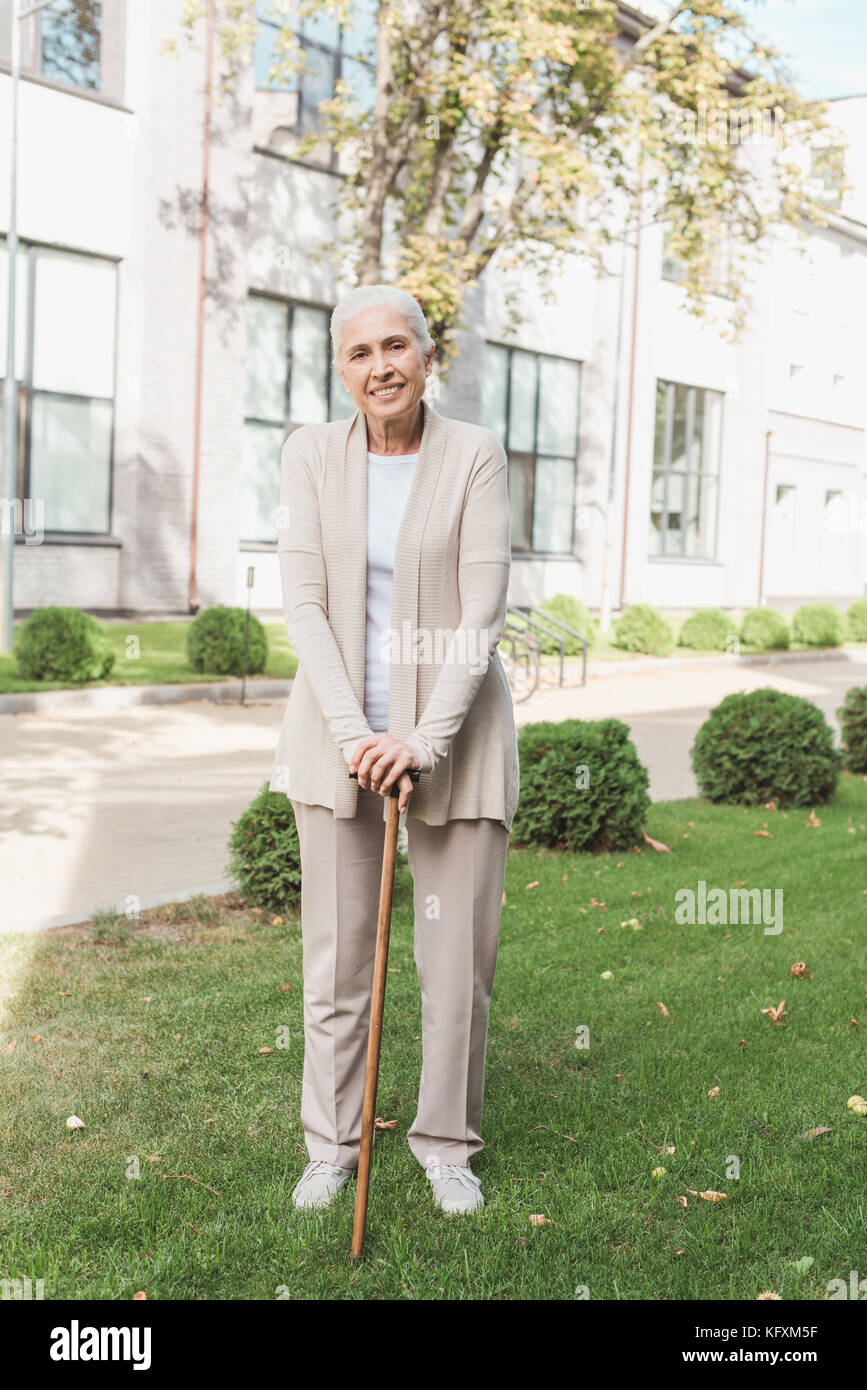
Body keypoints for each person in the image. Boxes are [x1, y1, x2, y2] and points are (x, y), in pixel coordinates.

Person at [270, 284, 519, 1216]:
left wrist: (420, 741)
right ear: (342, 368)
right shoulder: (307, 456)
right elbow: (303, 605)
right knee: (335, 965)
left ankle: (446, 1145)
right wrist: (357, 737)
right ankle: (331, 1146)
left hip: (456, 739)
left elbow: (481, 613)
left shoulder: (474, 456)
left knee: (455, 967)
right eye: (359, 353)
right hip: (338, 738)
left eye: (396, 347)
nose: (380, 367)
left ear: (426, 354)